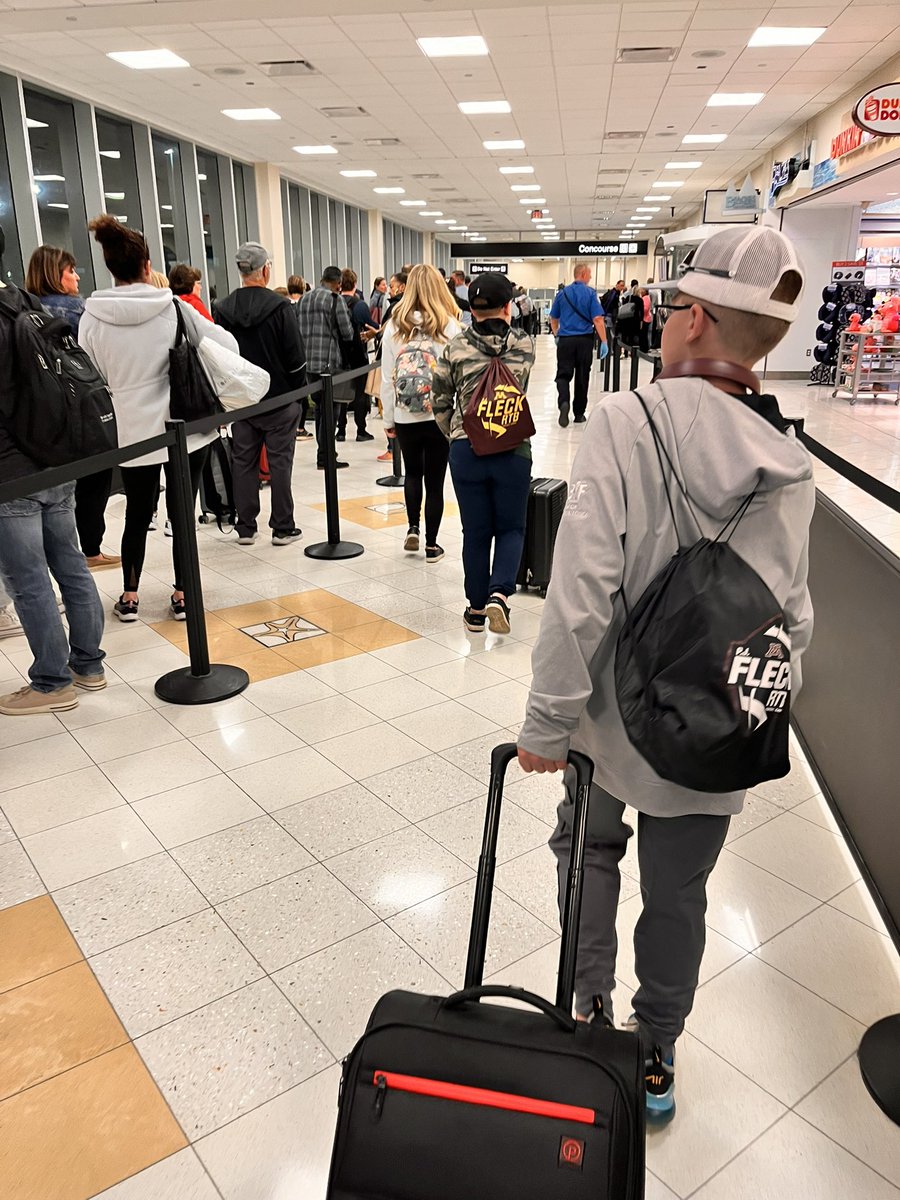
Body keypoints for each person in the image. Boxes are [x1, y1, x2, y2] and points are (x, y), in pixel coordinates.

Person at [516, 226, 814, 1120]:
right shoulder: (789, 459)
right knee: (679, 892)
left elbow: (581, 591)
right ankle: (655, 1052)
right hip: (714, 723)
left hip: (609, 720)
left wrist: (546, 723)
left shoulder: (624, 422)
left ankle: (589, 1006)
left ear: (690, 320)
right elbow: (793, 617)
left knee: (590, 854)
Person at [80, 216, 238, 622]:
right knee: (182, 511)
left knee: (137, 511)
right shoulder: (173, 308)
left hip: (132, 430)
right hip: (184, 424)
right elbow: (227, 344)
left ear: (112, 268)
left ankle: (130, 596)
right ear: (147, 265)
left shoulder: (92, 316)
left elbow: (90, 375)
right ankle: (183, 593)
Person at [0, 267, 106, 715]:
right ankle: (88, 665)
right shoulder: (27, 302)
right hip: (56, 455)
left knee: (28, 582)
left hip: (9, 469)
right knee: (71, 564)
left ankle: (52, 681)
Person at [433, 272, 535, 634]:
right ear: (508, 306)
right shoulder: (524, 344)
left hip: (467, 449)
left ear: (470, 310)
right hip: (512, 449)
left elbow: (440, 400)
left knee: (475, 531)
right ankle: (500, 595)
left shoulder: (455, 348)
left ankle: (476, 609)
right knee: (511, 527)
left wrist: (457, 435)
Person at [25, 244, 121, 573]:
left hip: (45, 412)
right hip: (82, 402)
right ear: (56, 274)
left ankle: (65, 552)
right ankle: (91, 549)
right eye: (70, 271)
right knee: (96, 475)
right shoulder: (76, 311)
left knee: (62, 486)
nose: (76, 276)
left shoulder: (26, 311)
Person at [215, 241, 307, 540]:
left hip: (242, 401)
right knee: (280, 463)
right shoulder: (280, 307)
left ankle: (245, 526)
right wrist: (298, 394)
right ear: (265, 270)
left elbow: (220, 356)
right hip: (280, 398)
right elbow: (295, 357)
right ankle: (282, 526)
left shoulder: (223, 309)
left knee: (244, 462)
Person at [381, 264, 460, 562]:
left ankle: (412, 527)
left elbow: (388, 378)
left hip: (405, 415)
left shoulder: (394, 326)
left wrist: (389, 419)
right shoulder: (448, 326)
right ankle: (431, 544)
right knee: (435, 481)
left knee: (413, 473)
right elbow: (456, 376)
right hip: (439, 416)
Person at [296, 266, 355, 471]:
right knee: (330, 410)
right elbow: (347, 332)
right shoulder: (334, 300)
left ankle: (324, 453)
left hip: (308, 363)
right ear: (338, 283)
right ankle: (326, 456)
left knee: (320, 408)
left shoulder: (304, 299)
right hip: (329, 364)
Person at [550, 262, 608, 428]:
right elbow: (597, 319)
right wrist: (604, 341)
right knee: (582, 376)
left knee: (563, 375)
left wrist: (557, 335)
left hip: (566, 341)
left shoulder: (562, 294)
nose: (590, 277)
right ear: (582, 275)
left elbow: (553, 319)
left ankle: (563, 403)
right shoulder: (591, 294)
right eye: (589, 274)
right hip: (584, 340)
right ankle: (579, 413)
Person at [336, 268, 376, 443]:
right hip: (358, 354)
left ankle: (341, 431)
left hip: (339, 354)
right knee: (360, 393)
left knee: (340, 395)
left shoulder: (335, 303)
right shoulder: (360, 305)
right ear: (355, 284)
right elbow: (372, 326)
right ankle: (361, 430)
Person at [375, 272, 408, 462]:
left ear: (403, 286)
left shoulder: (397, 309)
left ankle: (392, 449)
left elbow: (385, 334)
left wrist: (388, 420)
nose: (390, 288)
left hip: (396, 372)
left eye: (393, 285)